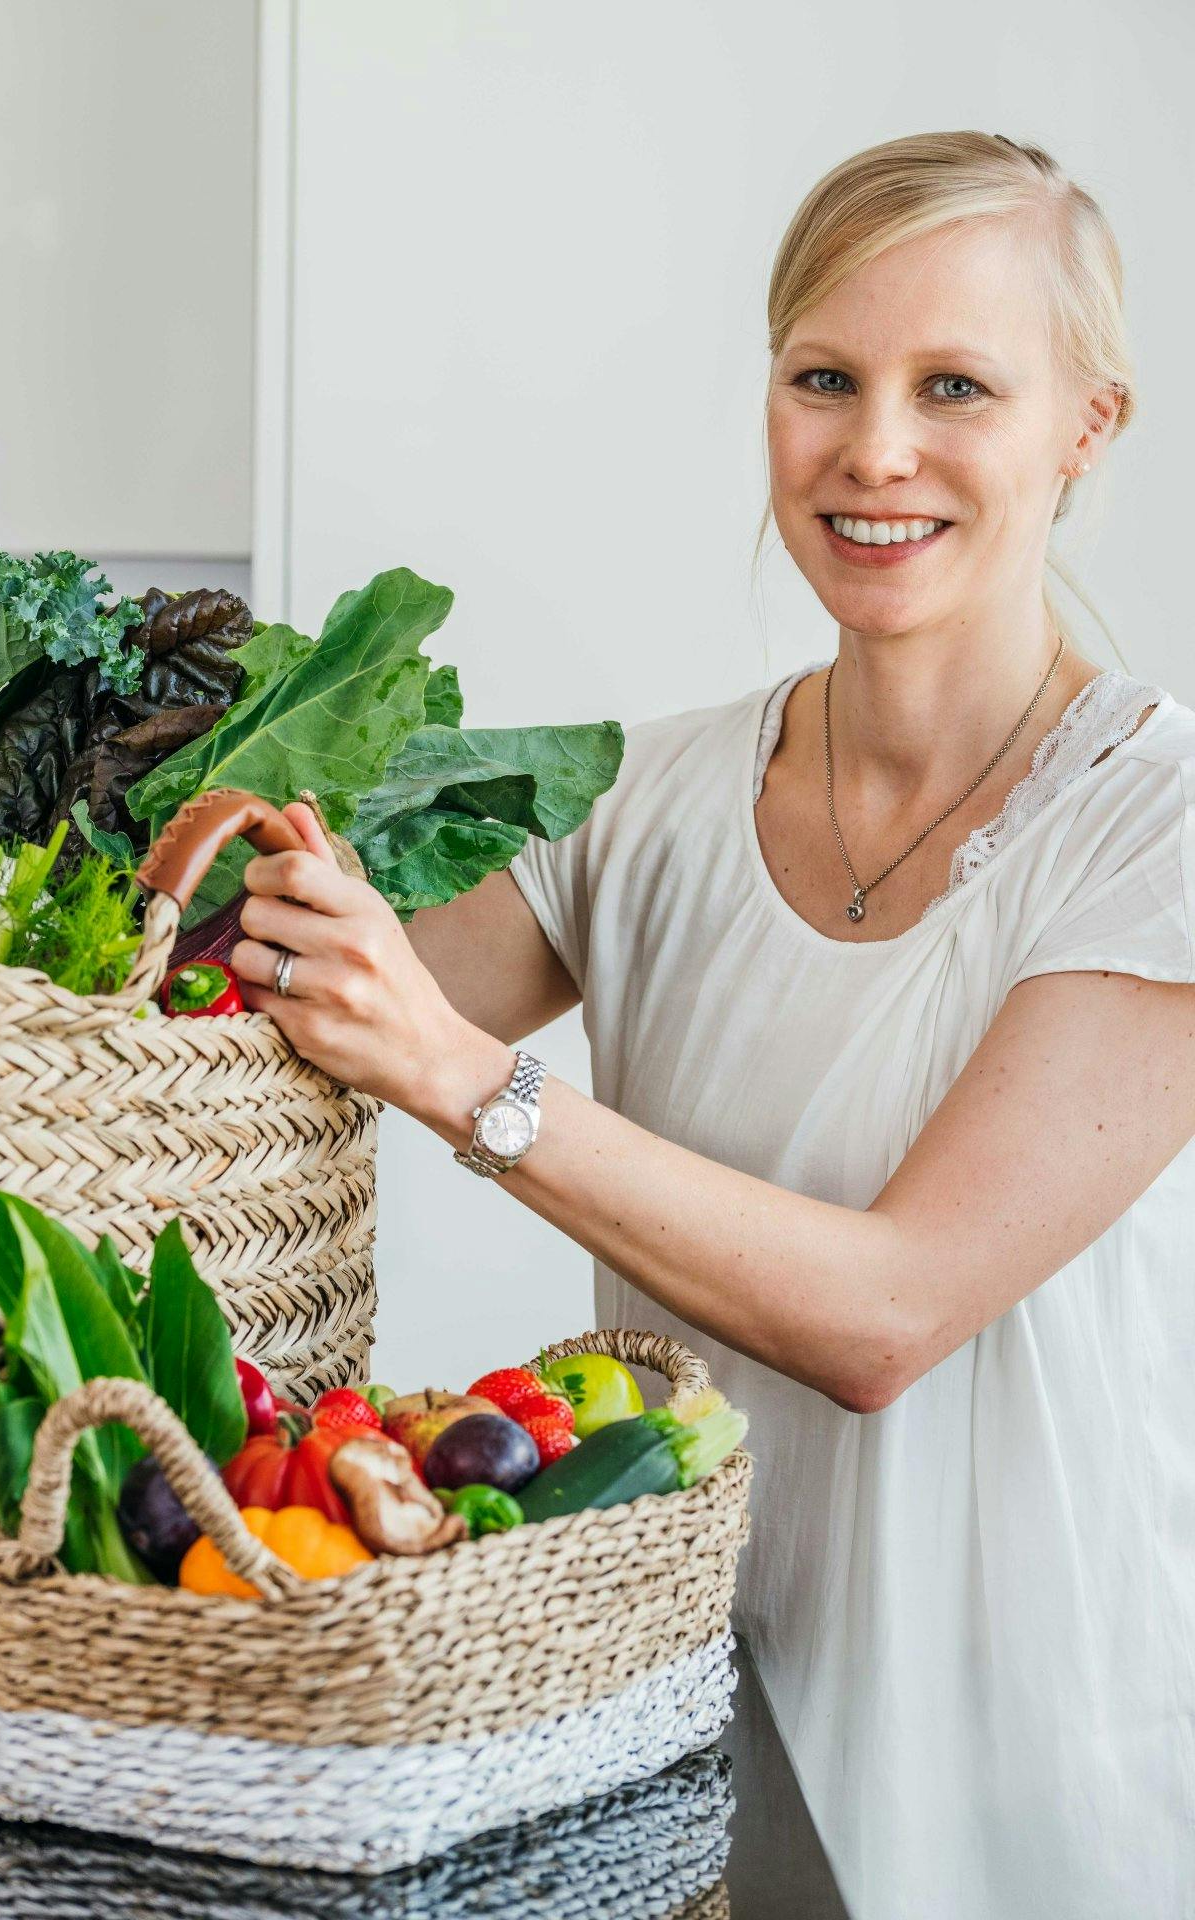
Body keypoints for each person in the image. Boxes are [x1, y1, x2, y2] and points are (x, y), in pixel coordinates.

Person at [230, 131, 1195, 1920]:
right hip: (685, 1759)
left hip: (1028, 1796)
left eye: (957, 387)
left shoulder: (1155, 824)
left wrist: (465, 1082)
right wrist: (221, 859)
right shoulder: (642, 802)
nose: (875, 450)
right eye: (825, 378)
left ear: (1089, 425)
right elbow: (277, 1018)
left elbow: (890, 1315)